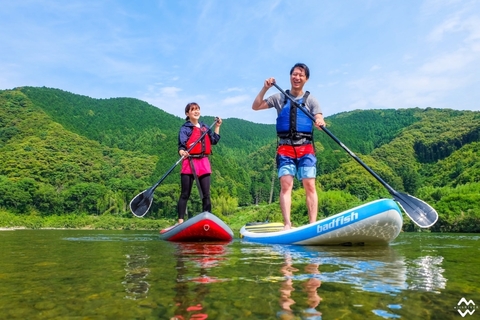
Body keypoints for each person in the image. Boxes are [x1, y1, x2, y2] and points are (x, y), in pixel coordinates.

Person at [252, 63, 325, 230]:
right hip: (285, 149)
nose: (297, 77)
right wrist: (265, 89)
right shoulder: (279, 98)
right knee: (286, 185)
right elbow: (255, 106)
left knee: (310, 185)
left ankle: (312, 224)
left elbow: (319, 117)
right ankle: (287, 224)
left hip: (305, 149)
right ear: (290, 76)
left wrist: (319, 121)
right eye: (295, 74)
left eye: (301, 75)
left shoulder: (311, 100)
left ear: (306, 79)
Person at [177, 102, 222, 225]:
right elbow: (181, 146)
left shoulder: (205, 127)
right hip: (189, 161)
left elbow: (214, 140)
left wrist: (217, 126)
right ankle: (180, 222)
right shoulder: (185, 128)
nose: (196, 111)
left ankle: (207, 220)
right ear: (188, 113)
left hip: (203, 162)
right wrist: (182, 152)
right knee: (185, 193)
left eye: (198, 109)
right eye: (193, 110)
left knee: (206, 194)